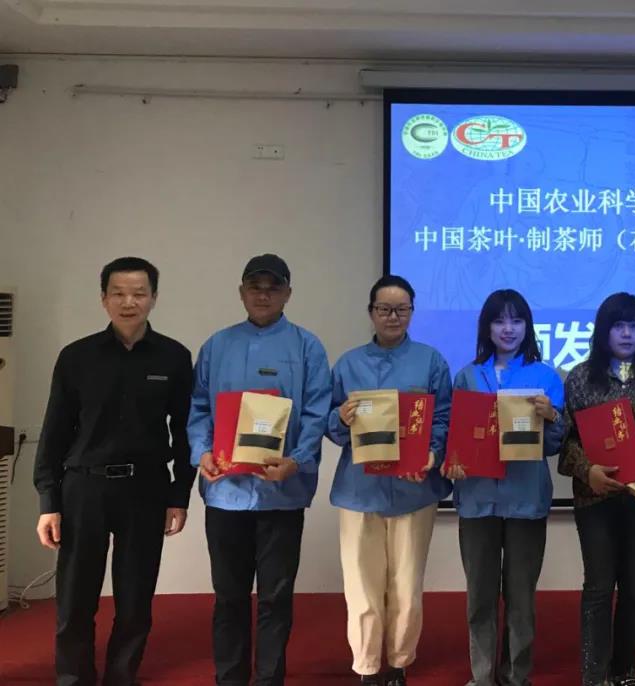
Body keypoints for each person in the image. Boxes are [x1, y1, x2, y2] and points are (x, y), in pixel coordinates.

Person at [33, 256, 194, 686]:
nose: (129, 302)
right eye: (118, 293)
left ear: (153, 298)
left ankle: (122, 676)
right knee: (75, 598)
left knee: (135, 597)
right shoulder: (76, 357)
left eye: (139, 293)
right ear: (103, 299)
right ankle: (73, 677)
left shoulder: (174, 357)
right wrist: (49, 502)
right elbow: (53, 433)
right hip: (84, 488)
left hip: (146, 489)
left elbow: (185, 433)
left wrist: (179, 495)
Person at [187, 254, 331, 686]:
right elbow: (198, 408)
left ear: (288, 293)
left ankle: (270, 679)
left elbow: (317, 412)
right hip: (226, 492)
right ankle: (229, 677)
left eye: (273, 287)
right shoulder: (217, 346)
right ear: (241, 292)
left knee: (275, 597)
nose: (263, 295)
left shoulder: (307, 347)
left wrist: (297, 460)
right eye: (255, 286)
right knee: (228, 596)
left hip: (281, 494)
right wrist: (201, 453)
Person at [326, 274, 451, 686]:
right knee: (361, 586)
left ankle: (398, 662)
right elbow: (329, 422)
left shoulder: (431, 362)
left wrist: (433, 453)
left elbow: (443, 418)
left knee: (406, 585)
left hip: (414, 489)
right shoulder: (348, 364)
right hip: (359, 491)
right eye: (384, 309)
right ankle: (366, 666)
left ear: (412, 313)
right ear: (371, 312)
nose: (393, 316)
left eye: (401, 309)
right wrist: (340, 419)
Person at [445, 289, 565, 686]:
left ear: (527, 326)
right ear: (487, 327)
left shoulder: (545, 376)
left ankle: (516, 676)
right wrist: (453, 460)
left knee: (521, 597)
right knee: (479, 595)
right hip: (477, 498)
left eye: (516, 320)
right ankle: (482, 677)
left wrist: (552, 418)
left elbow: (555, 444)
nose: (508, 328)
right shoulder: (467, 375)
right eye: (499, 320)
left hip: (525, 498)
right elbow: (456, 436)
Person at [558, 292, 635, 686]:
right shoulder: (580, 378)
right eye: (618, 326)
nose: (627, 334)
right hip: (595, 499)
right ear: (603, 331)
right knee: (598, 586)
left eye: (634, 326)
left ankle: (625, 670)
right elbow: (564, 442)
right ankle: (594, 675)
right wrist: (587, 470)